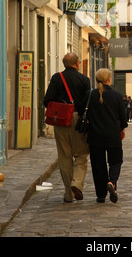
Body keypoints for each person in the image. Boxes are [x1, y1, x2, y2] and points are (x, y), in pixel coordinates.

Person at [43, 53, 90, 203]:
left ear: (64, 64)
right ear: (77, 63)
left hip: (61, 120)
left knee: (64, 156)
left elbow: (47, 100)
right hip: (78, 120)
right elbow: (87, 104)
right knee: (81, 155)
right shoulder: (84, 80)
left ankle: (68, 193)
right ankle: (76, 183)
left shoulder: (57, 78)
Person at [79, 68, 128, 203]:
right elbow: (122, 117)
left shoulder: (90, 94)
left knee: (98, 165)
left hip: (95, 135)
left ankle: (101, 194)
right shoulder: (117, 96)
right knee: (115, 161)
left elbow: (81, 109)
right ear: (109, 80)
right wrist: (122, 129)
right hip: (113, 134)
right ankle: (112, 183)